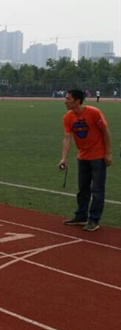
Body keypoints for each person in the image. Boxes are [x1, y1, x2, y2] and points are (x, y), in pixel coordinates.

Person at [58, 89, 112, 232]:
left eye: (68, 99)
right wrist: (64, 158)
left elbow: (105, 131)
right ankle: (81, 216)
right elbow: (67, 138)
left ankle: (94, 219)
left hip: (98, 157)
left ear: (77, 101)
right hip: (82, 157)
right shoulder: (67, 117)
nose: (65, 101)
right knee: (83, 189)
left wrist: (108, 153)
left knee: (97, 190)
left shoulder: (94, 112)